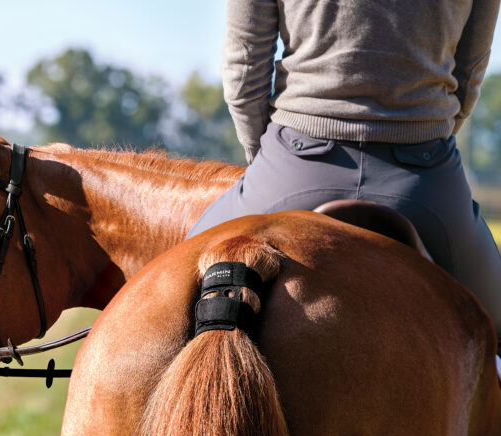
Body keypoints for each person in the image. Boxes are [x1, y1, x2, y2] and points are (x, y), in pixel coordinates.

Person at [187, 0, 501, 351]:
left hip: (294, 165)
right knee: (497, 323)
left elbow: (245, 67)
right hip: (423, 178)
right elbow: (469, 71)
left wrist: (265, 159)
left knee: (177, 288)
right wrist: (426, 137)